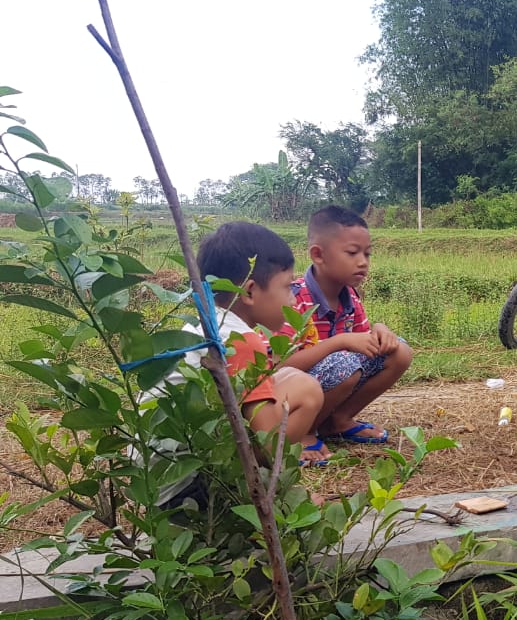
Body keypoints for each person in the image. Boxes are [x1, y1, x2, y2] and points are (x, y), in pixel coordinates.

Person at [151, 220, 330, 509]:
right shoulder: (241, 340)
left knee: (285, 375)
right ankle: (265, 495)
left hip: (157, 484)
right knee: (306, 389)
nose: (294, 298)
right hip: (188, 494)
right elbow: (266, 439)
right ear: (249, 291)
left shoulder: (208, 326)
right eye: (287, 287)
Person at [276, 205, 412, 444]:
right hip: (292, 393)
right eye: (352, 253)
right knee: (343, 363)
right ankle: (303, 432)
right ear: (318, 255)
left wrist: (379, 330)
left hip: (333, 375)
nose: (362, 262)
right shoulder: (293, 300)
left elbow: (363, 343)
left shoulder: (350, 297)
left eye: (367, 254)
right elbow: (279, 366)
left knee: (399, 351)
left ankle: (337, 421)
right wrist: (339, 342)